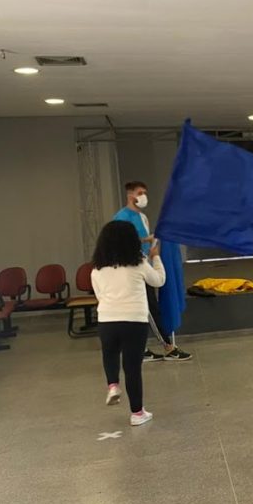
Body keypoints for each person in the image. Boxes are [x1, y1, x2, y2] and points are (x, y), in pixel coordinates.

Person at [91, 220, 166, 425]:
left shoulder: (97, 269)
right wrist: (156, 257)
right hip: (134, 320)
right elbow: (158, 281)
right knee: (132, 367)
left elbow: (99, 296)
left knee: (110, 354)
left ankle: (113, 385)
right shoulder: (139, 263)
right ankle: (137, 413)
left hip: (106, 320)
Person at [113, 181, 191, 362]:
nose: (143, 196)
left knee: (142, 311)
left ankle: (140, 348)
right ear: (130, 195)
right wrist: (145, 240)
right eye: (140, 193)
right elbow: (119, 243)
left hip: (145, 266)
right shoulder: (122, 218)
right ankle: (168, 347)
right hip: (132, 271)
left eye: (145, 192)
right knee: (150, 309)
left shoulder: (143, 217)